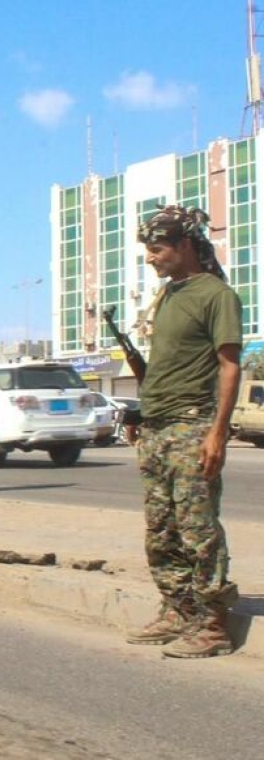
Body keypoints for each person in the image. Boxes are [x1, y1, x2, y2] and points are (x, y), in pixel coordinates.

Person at [124, 205, 242, 659]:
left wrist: (218, 433)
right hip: (157, 430)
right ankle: (178, 609)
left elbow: (229, 367)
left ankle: (213, 624)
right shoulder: (168, 296)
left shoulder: (216, 295)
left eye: (156, 250)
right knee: (162, 530)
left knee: (198, 530)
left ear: (184, 246)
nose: (150, 259)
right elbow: (165, 368)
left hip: (192, 427)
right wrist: (141, 414)